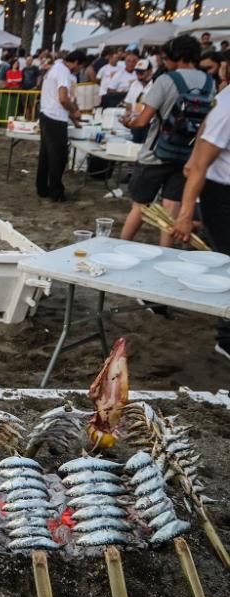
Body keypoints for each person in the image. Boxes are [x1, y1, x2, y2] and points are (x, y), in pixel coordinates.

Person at [120, 36, 213, 243]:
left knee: (140, 205)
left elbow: (143, 120)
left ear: (175, 56)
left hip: (156, 152)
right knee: (171, 208)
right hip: (186, 156)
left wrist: (128, 122)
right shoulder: (209, 82)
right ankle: (165, 253)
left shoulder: (166, 80)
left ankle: (119, 245)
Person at [172, 84, 230, 357]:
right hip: (221, 194)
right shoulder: (229, 104)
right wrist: (184, 216)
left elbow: (205, 126)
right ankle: (226, 338)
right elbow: (199, 167)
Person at [36, 50, 85, 202]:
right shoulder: (63, 72)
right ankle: (56, 192)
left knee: (46, 154)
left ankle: (42, 187)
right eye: (80, 67)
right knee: (58, 157)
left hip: (46, 114)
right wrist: (74, 112)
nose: (79, 70)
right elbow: (63, 99)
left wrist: (72, 117)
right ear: (76, 62)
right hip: (55, 118)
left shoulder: (55, 68)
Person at [122, 59, 153, 143]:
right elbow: (128, 104)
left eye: (142, 71)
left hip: (149, 124)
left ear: (150, 71)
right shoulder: (134, 85)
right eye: (137, 71)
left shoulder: (155, 85)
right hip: (135, 123)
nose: (139, 74)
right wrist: (127, 116)